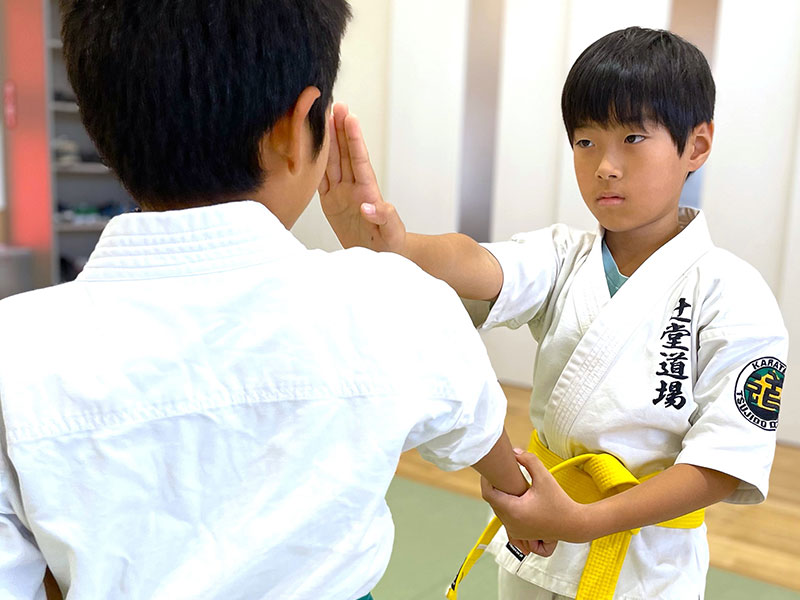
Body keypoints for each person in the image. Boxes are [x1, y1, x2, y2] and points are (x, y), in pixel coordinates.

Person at [0, 2, 532, 599]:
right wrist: (515, 493)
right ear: (294, 126)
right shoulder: (395, 298)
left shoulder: (13, 347)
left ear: (101, 121)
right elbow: (480, 434)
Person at [319, 27, 788, 600]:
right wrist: (395, 245)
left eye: (633, 138)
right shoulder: (566, 256)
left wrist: (583, 522)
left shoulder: (734, 294)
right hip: (537, 538)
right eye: (586, 141)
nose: (605, 166)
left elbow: (724, 463)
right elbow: (478, 261)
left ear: (697, 145)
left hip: (644, 563)